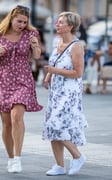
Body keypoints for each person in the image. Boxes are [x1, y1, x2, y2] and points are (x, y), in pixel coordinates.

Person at [0, 5, 43, 173]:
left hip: (24, 78)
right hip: (3, 80)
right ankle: (10, 157)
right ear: (11, 19)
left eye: (25, 22)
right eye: (19, 21)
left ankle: (18, 158)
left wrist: (35, 46)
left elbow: (37, 56)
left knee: (17, 116)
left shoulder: (31, 34)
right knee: (6, 124)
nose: (22, 25)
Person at [43, 12, 88, 176]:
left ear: (70, 26)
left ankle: (78, 156)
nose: (57, 24)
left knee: (56, 124)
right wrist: (49, 76)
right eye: (57, 22)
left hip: (69, 93)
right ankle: (59, 165)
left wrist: (54, 71)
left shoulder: (76, 46)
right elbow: (54, 62)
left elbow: (78, 73)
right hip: (56, 91)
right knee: (53, 128)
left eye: (61, 22)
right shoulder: (58, 42)